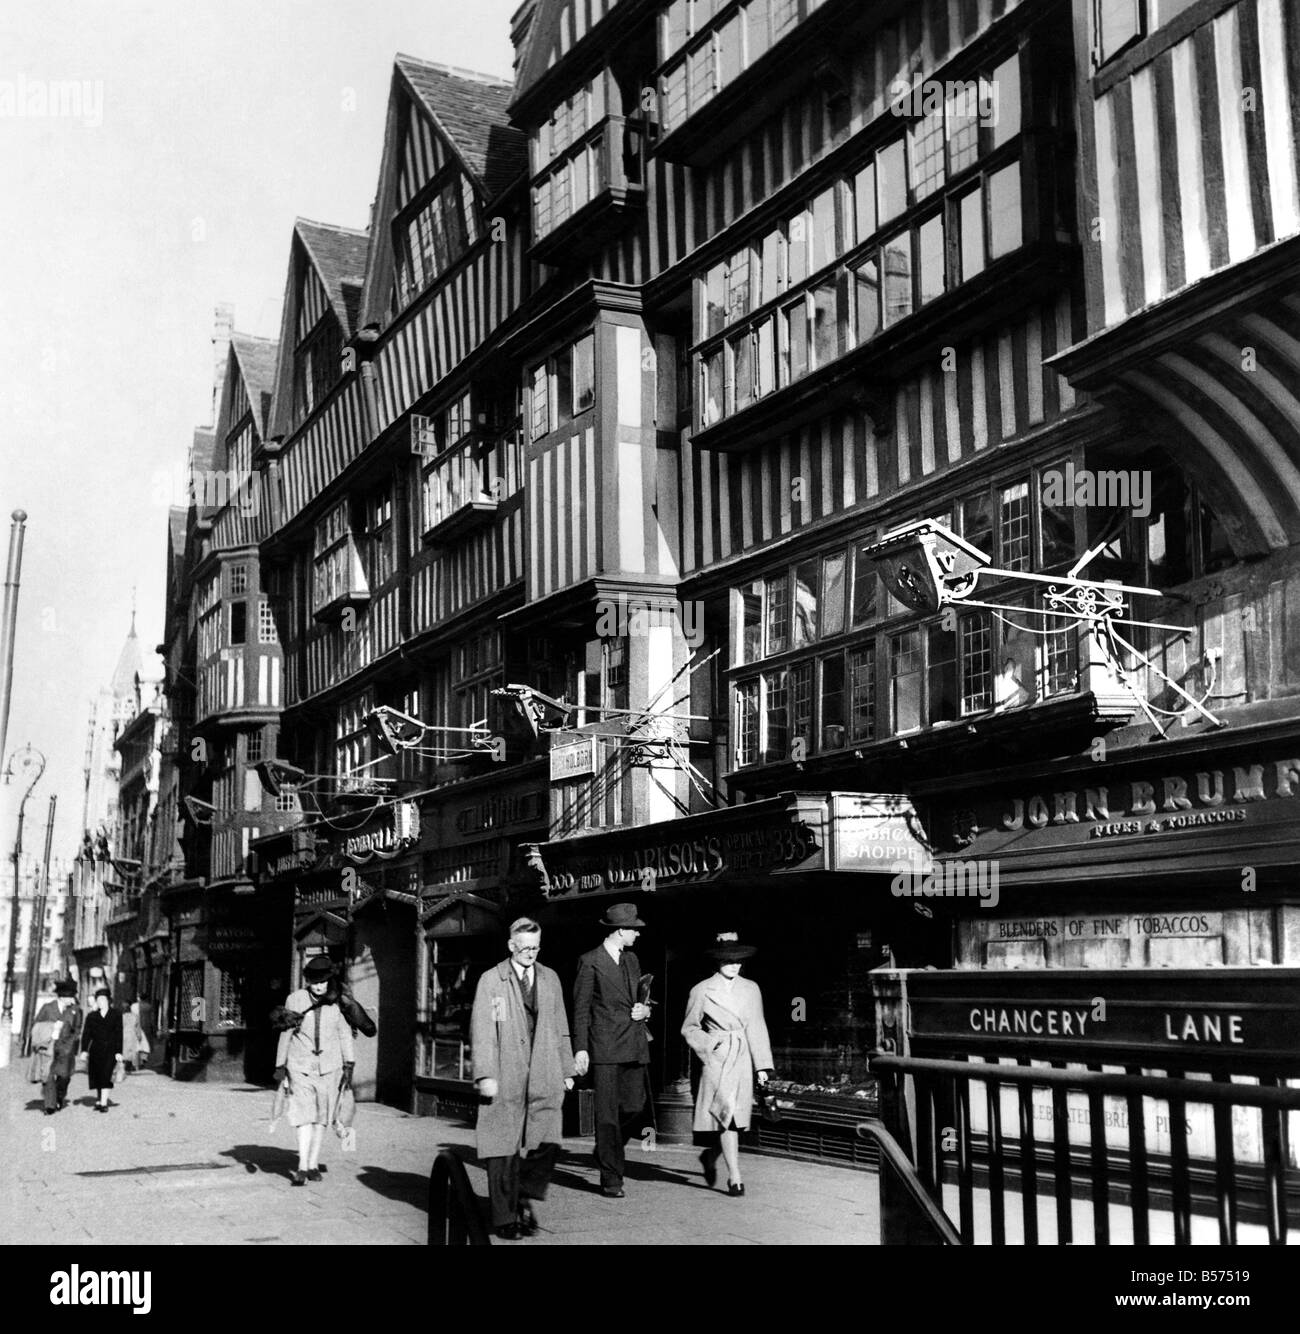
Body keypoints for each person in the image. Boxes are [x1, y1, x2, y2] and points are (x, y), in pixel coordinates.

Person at [470, 918, 576, 1240]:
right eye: (525, 947)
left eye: (536, 947)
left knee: (547, 1141)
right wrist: (485, 1074)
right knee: (502, 1149)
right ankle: (504, 1219)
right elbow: (483, 1032)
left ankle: (523, 1195)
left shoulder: (551, 978)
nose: (531, 953)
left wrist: (567, 1069)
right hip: (505, 1072)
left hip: (544, 1071)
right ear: (511, 946)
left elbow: (560, 1026)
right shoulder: (492, 981)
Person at [681, 931, 774, 1197]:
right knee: (727, 1117)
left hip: (743, 1058)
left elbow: (757, 1027)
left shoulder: (751, 988)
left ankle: (710, 1158)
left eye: (738, 960)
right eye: (728, 960)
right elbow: (689, 1028)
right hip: (718, 1060)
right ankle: (735, 1177)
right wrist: (712, 1046)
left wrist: (763, 1068)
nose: (734, 965)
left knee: (733, 1117)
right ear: (716, 962)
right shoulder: (701, 990)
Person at [572, 902, 652, 1198]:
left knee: (635, 1108)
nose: (638, 935)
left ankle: (606, 1146)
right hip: (604, 1048)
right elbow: (580, 1010)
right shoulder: (589, 961)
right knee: (606, 1116)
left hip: (633, 1044)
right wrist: (580, 1049)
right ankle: (611, 1178)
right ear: (620, 931)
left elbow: (641, 1000)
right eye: (634, 930)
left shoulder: (632, 960)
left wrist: (645, 1011)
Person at [274, 955, 355, 1186]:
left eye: (323, 982)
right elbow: (286, 1033)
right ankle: (301, 1167)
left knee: (322, 1118)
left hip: (331, 1067)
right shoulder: (295, 1000)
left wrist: (350, 1063)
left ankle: (312, 1163)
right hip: (300, 1065)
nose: (319, 986)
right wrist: (280, 1066)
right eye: (314, 982)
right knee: (303, 1116)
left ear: (330, 980)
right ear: (307, 981)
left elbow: (344, 1033)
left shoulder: (338, 1001)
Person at [29, 978, 81, 1115]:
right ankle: (50, 1105)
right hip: (49, 1048)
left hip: (66, 1049)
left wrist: (71, 1044)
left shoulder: (75, 1010)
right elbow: (36, 1025)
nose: (72, 1000)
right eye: (70, 997)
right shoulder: (48, 1008)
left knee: (64, 1077)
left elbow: (77, 1030)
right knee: (49, 1076)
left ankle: (59, 1096)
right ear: (63, 997)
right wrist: (50, 1029)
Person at [80, 989, 124, 1113]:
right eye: (98, 1000)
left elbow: (119, 1033)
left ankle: (103, 1103)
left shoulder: (116, 1014)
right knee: (98, 1075)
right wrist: (84, 1050)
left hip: (111, 1050)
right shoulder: (92, 1016)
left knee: (106, 1075)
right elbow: (86, 1034)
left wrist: (119, 1052)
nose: (100, 1002)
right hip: (96, 1050)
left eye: (103, 1000)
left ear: (108, 1001)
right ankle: (100, 1099)